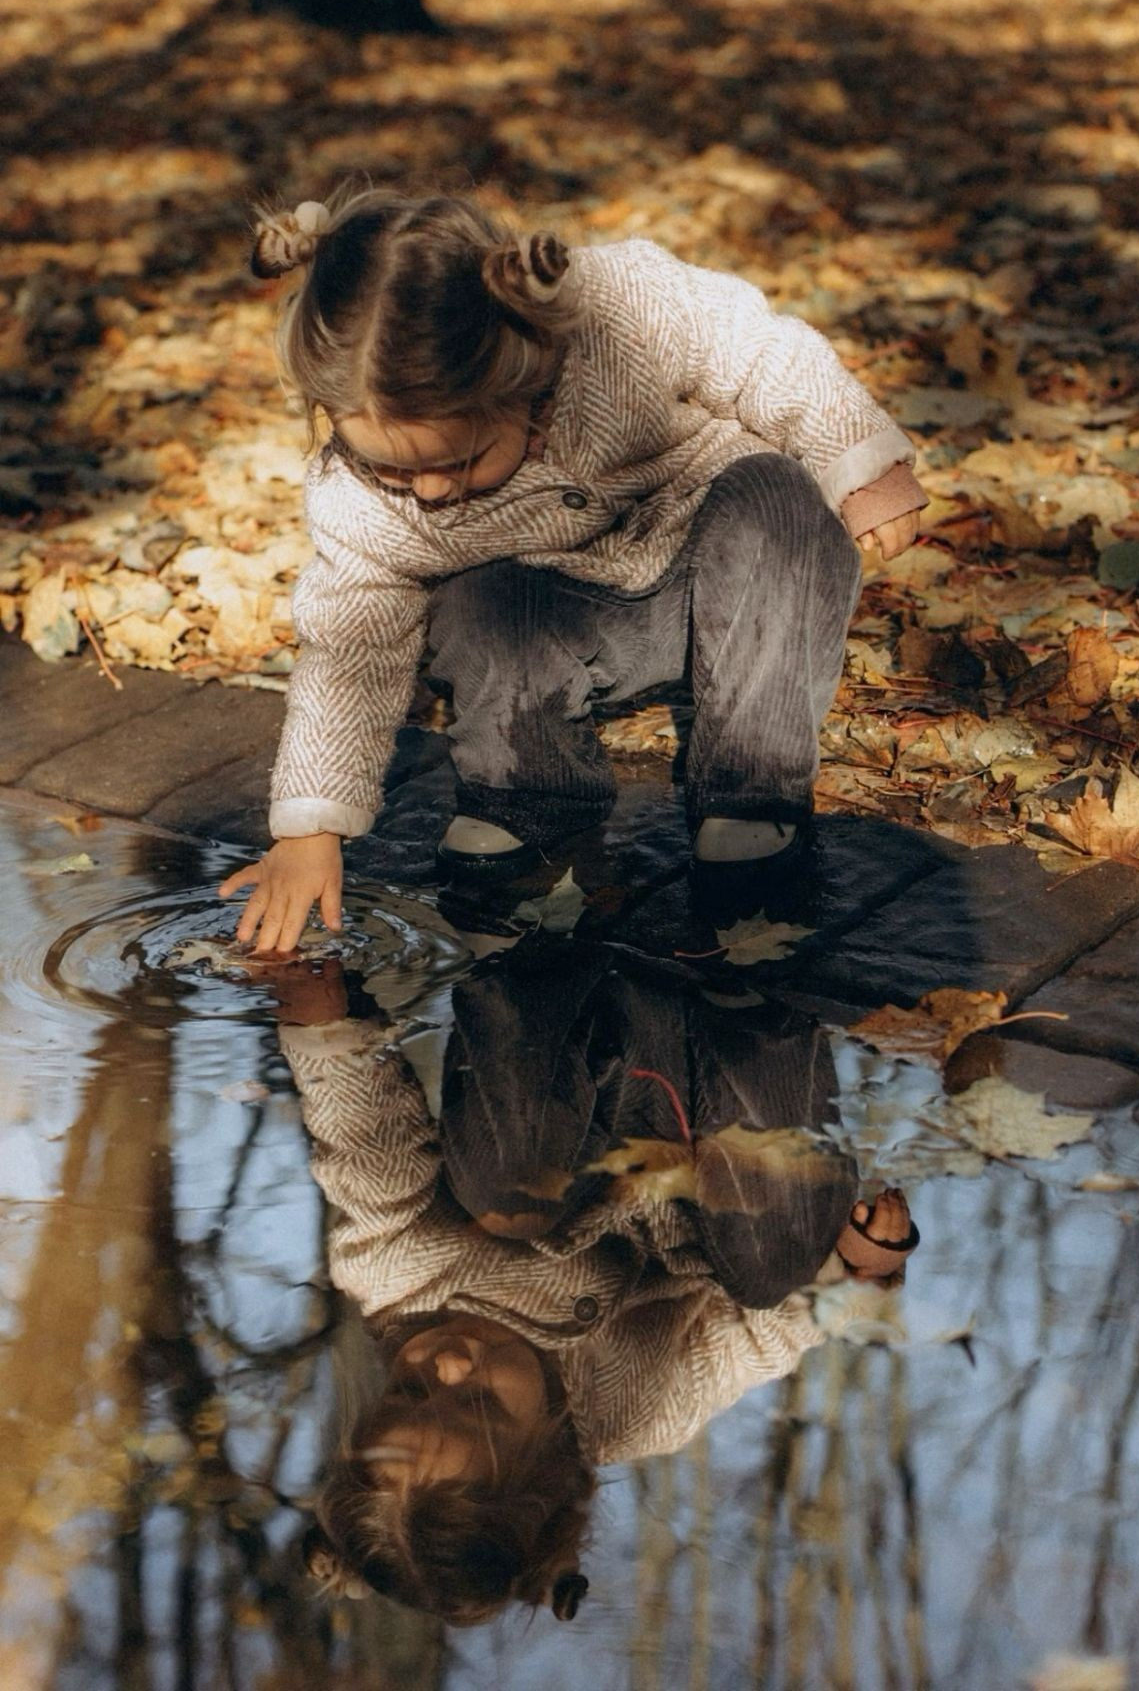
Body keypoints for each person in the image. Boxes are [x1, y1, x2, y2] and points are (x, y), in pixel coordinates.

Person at [219, 188, 927, 952]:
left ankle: (749, 796)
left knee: (783, 497)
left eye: (458, 462)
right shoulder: (359, 500)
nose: (426, 492)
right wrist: (309, 829)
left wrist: (858, 458)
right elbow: (349, 654)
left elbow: (760, 351)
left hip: (720, 580)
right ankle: (530, 796)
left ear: (517, 378)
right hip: (559, 628)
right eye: (394, 470)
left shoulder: (616, 313)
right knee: (477, 603)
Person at [264, 944, 918, 1624]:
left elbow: (368, 1146)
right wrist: (853, 1274)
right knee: (772, 1270)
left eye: (409, 1388)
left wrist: (326, 1030)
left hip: (564, 1046)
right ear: (548, 1462)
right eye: (481, 1403)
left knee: (506, 1200)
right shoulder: (637, 1413)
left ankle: (542, 947)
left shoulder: (395, 1272)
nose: (448, 1365)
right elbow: (757, 1342)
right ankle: (758, 1000)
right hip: (708, 1121)